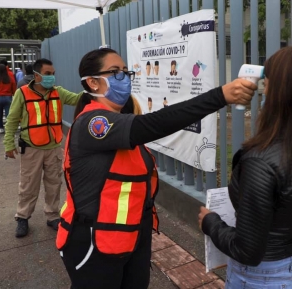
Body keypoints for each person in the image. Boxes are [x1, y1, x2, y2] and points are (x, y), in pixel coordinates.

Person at [56, 47, 257, 289]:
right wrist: (220, 96)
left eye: (125, 71)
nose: (124, 77)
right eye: (115, 72)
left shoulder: (120, 121)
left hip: (130, 240)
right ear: (92, 82)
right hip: (95, 242)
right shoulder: (93, 122)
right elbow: (155, 124)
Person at [198, 46, 292, 289]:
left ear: (281, 94)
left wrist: (211, 223)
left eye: (265, 85)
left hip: (259, 278)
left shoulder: (259, 161)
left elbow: (247, 251)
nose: (261, 91)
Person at [4, 58, 83, 238]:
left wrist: (92, 87)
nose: (51, 77)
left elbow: (78, 99)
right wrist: (8, 144)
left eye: (53, 74)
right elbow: (11, 120)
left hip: (54, 147)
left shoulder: (59, 92)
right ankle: (23, 217)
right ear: (37, 75)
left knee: (54, 184)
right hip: (31, 148)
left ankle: (53, 216)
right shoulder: (22, 93)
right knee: (28, 185)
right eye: (48, 74)